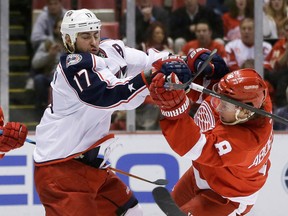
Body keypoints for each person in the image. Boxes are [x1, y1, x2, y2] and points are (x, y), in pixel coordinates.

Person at [33, 8, 193, 215]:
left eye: (95, 34)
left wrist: (181, 60)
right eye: (85, 36)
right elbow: (111, 96)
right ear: (69, 39)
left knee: (133, 213)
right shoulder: (72, 67)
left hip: (91, 167)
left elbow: (148, 60)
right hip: (60, 171)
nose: (93, 42)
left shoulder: (112, 49)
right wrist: (152, 76)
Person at [148, 68, 273, 215]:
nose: (218, 107)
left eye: (225, 105)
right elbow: (235, 85)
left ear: (245, 111)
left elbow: (192, 146)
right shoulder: (256, 99)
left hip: (227, 196)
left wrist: (173, 109)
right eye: (219, 99)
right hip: (202, 174)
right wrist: (195, 77)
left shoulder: (245, 143)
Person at [31, 17, 65, 116]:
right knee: (39, 79)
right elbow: (35, 63)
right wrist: (49, 55)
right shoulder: (48, 43)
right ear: (54, 29)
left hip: (69, 76)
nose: (61, 30)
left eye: (64, 27)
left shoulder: (74, 44)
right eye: (59, 28)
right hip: (51, 76)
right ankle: (41, 111)